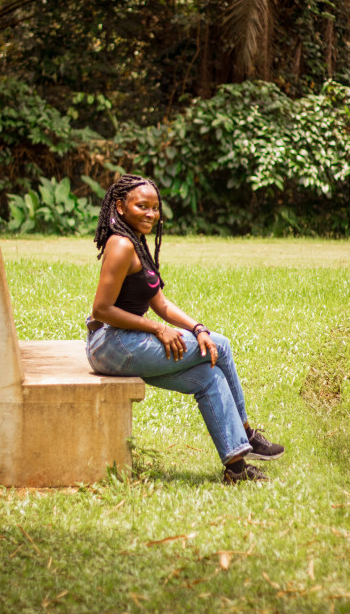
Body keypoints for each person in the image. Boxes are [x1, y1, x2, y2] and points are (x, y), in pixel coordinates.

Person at [86, 174, 284, 484]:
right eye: (142, 206)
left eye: (155, 207)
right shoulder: (121, 244)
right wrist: (157, 329)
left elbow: (161, 303)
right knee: (222, 346)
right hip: (110, 344)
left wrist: (198, 327)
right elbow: (102, 309)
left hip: (128, 343)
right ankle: (247, 432)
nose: (151, 214)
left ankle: (236, 467)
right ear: (120, 207)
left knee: (209, 375)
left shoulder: (137, 242)